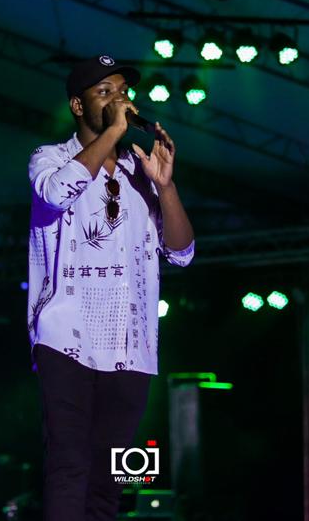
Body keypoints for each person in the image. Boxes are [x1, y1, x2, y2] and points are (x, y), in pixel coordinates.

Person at [26, 55, 195, 521]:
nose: (118, 100)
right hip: (65, 337)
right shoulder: (49, 158)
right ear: (78, 105)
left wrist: (166, 187)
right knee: (69, 464)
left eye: (122, 92)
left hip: (131, 345)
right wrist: (115, 132)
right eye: (105, 92)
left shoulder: (141, 173)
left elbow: (182, 253)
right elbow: (56, 193)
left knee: (111, 478)